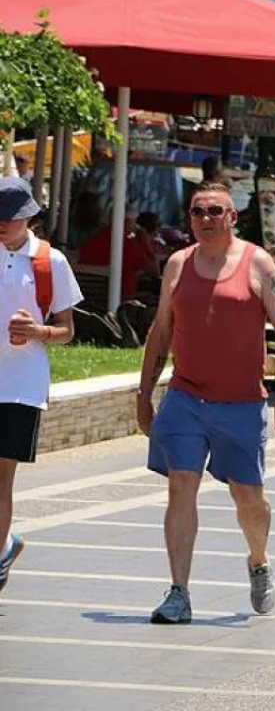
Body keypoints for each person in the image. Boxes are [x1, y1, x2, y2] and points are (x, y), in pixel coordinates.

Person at [137, 181, 275, 624]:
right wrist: (144, 393)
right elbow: (161, 330)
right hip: (186, 396)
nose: (205, 219)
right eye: (197, 211)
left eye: (215, 211)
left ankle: (259, 559)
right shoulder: (177, 264)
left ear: (232, 217)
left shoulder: (256, 263)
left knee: (248, 499)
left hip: (241, 403)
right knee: (180, 485)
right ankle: (178, 592)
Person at [0, 179, 82, 595]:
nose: (1, 224)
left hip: (22, 385)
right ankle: (5, 546)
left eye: (9, 217)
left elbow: (68, 329)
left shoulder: (50, 262)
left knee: (2, 476)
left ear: (29, 217)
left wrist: (37, 332)